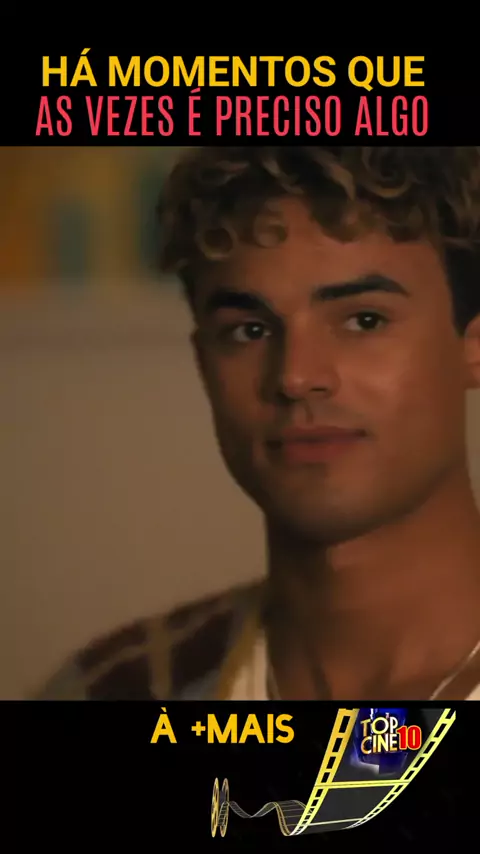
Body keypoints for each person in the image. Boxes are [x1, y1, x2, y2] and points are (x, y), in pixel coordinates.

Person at [34, 146, 480, 702]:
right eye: (249, 331)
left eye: (364, 320)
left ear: (472, 346)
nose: (295, 376)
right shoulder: (110, 689)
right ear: (204, 365)